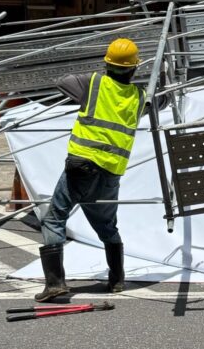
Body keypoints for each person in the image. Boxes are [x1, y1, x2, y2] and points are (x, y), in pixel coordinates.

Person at [36, 38, 144, 303]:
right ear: (134, 69)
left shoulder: (92, 84)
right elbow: (160, 103)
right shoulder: (140, 96)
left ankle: (55, 284)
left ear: (107, 64)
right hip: (111, 171)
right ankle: (117, 280)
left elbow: (62, 81)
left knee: (54, 218)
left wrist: (91, 77)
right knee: (106, 225)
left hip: (82, 164)